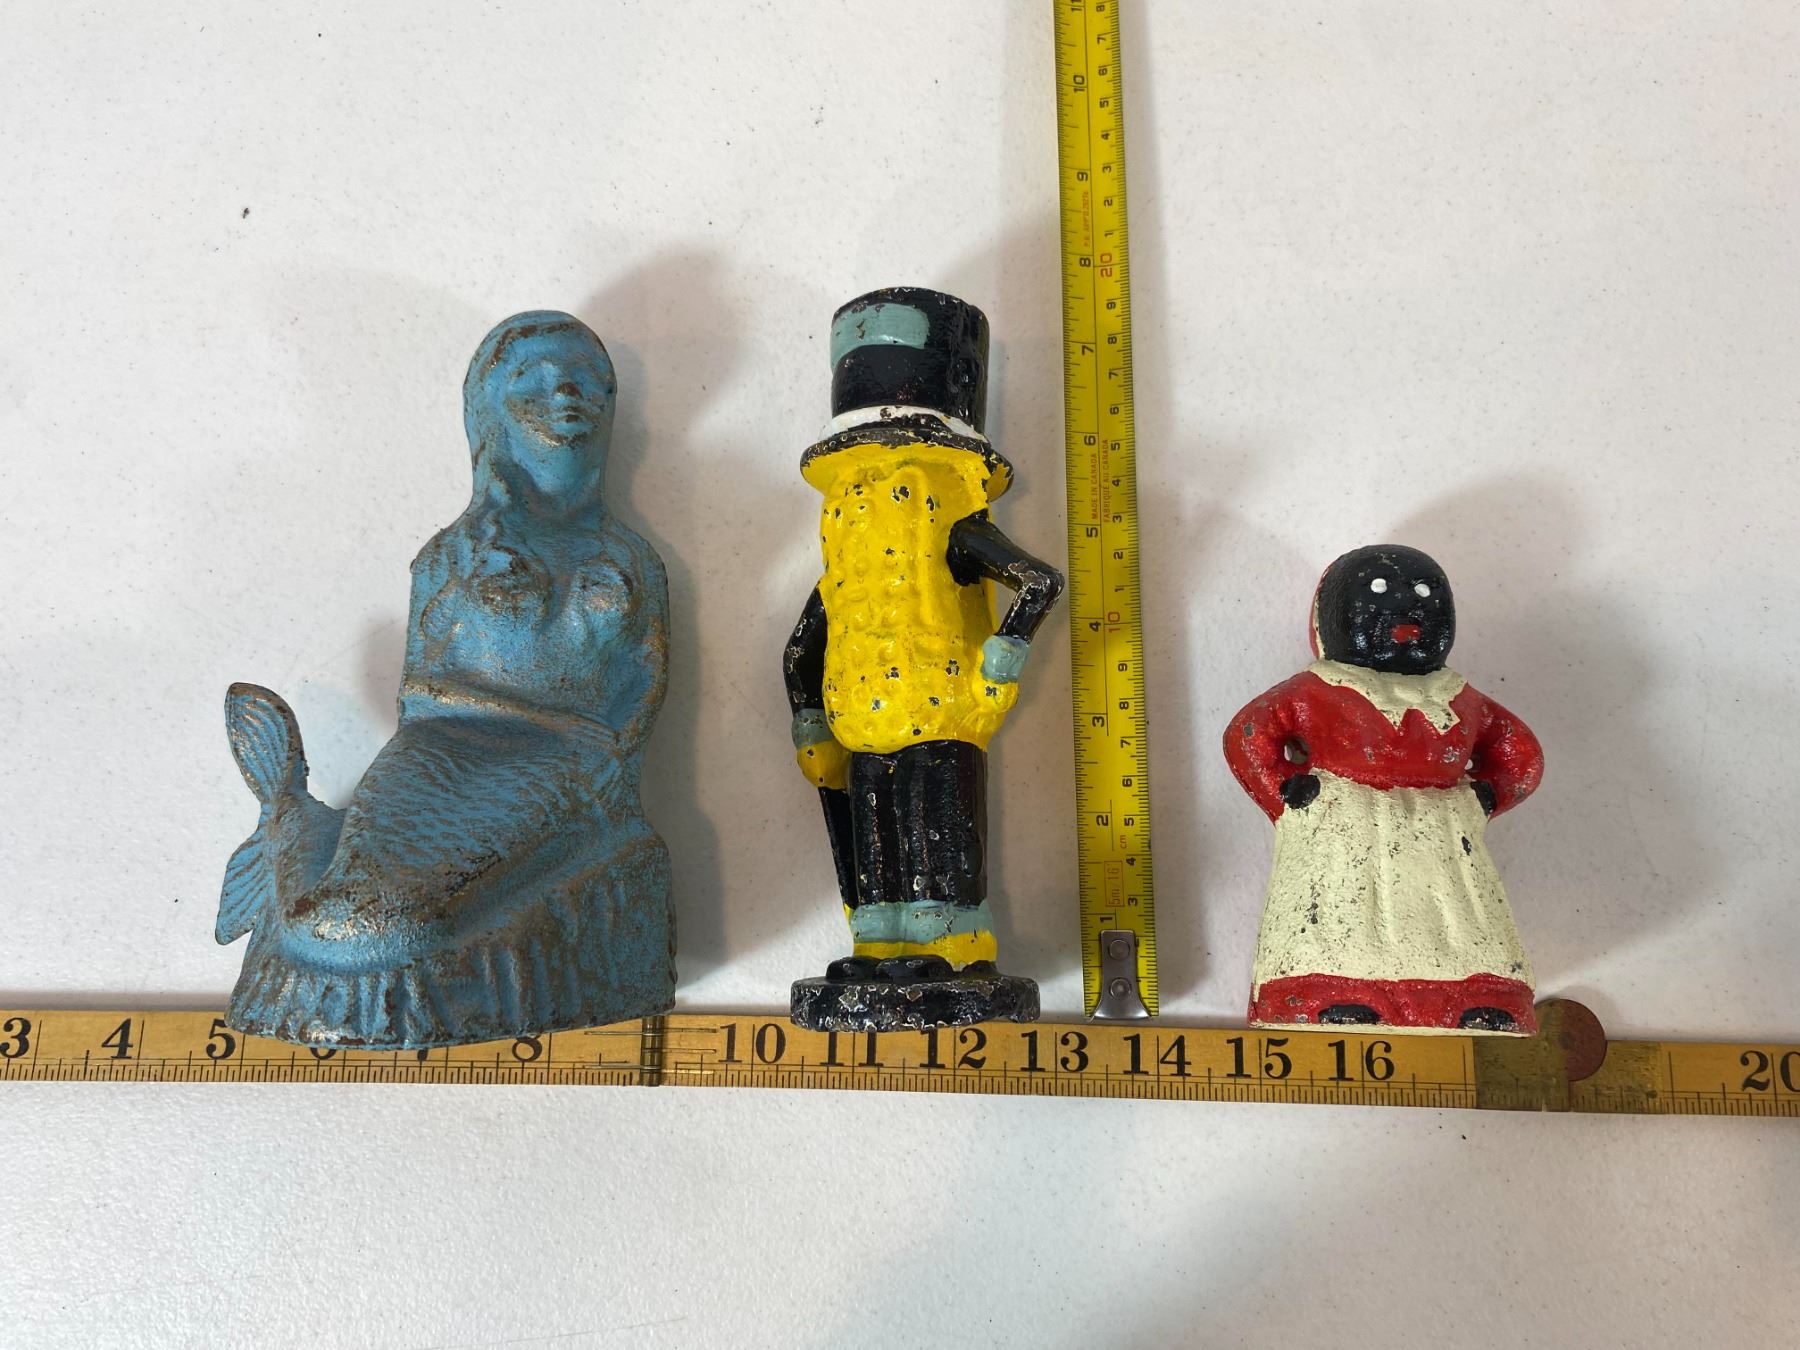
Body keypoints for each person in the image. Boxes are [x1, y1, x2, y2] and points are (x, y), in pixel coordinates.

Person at [217, 312, 675, 1048]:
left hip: (565, 758)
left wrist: (607, 769)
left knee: (400, 920)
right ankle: (287, 815)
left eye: (587, 380)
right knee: (343, 918)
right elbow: (420, 688)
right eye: (531, 380)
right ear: (490, 412)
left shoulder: (632, 557)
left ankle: (303, 835)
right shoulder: (450, 552)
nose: (565, 393)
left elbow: (646, 682)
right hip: (442, 748)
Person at [1223, 544, 1545, 1034]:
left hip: (1441, 835)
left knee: (1459, 916)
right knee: (1340, 911)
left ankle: (1471, 997)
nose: (1404, 609)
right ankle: (1329, 992)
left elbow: (1520, 754)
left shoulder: (1459, 697)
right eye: (1376, 592)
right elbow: (1249, 735)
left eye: (1426, 595)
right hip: (1344, 825)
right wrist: (1288, 795)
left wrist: (1485, 796)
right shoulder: (1317, 690)